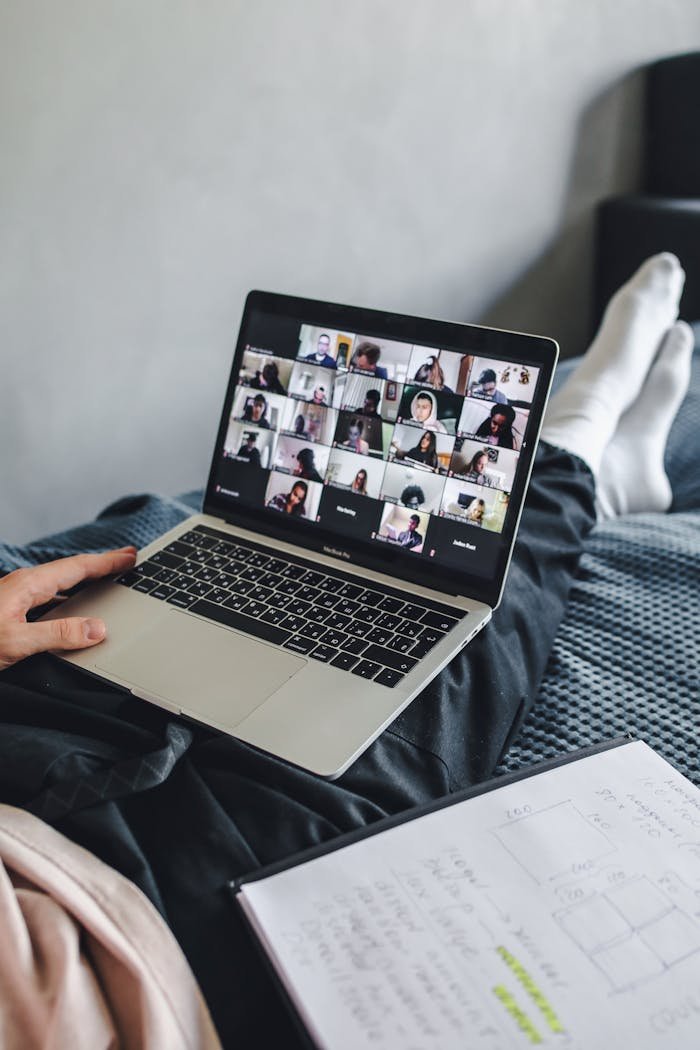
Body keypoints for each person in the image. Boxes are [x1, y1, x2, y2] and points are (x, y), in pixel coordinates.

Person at [0, 255, 694, 1048]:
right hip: (130, 925)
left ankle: (586, 452)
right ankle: (584, 456)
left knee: (120, 608)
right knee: (444, 666)